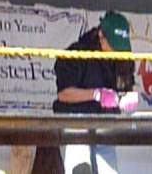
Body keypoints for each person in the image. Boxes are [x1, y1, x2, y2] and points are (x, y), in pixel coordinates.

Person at [54, 11, 135, 174]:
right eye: (113, 44)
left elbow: (125, 87)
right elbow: (63, 94)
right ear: (101, 36)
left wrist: (126, 98)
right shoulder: (77, 54)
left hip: (105, 126)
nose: (116, 50)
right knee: (80, 168)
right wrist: (96, 94)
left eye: (120, 46)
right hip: (76, 125)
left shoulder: (123, 58)